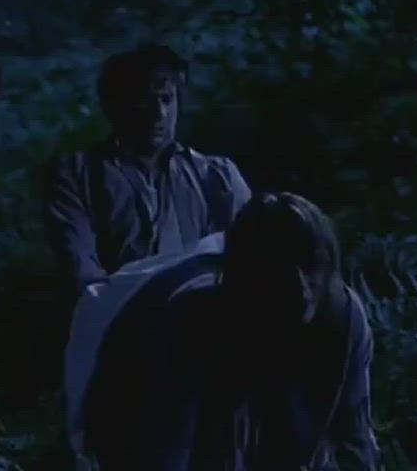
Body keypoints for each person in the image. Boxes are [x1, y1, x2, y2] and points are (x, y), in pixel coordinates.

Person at [82, 192, 379, 470]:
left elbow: (354, 437)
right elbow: (167, 447)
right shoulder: (195, 321)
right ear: (251, 274)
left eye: (310, 264)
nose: (300, 288)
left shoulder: (343, 319)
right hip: (127, 377)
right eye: (281, 269)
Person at [42, 43, 252, 300]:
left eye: (167, 99)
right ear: (114, 106)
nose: (159, 114)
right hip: (118, 316)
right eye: (144, 101)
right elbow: (83, 275)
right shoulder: (78, 175)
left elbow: (251, 260)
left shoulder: (217, 177)